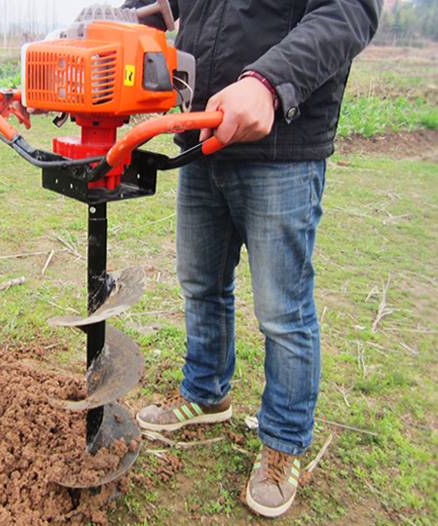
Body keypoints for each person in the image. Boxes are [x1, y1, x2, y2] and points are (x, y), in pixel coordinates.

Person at [124, 0, 381, 518]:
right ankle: (206, 393)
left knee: (282, 313)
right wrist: (143, 14)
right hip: (202, 137)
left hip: (282, 146)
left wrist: (267, 81)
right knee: (200, 283)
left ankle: (283, 443)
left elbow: (348, 12)